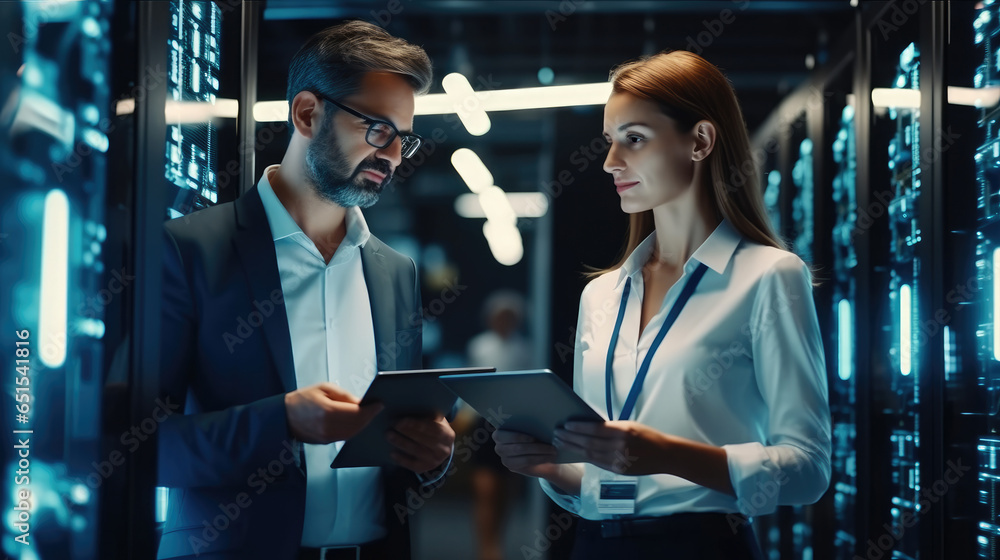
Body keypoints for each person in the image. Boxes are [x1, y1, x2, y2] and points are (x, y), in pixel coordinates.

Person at [493, 50, 831, 559]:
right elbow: (598, 472)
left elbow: (808, 471)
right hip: (595, 544)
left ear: (700, 140)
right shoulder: (601, 294)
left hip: (703, 547)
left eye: (634, 139)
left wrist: (664, 454)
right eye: (610, 142)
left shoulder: (769, 276)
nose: (610, 163)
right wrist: (549, 468)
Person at [157, 21, 454, 560]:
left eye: (403, 139)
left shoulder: (395, 271)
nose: (391, 156)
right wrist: (282, 421)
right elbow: (136, 447)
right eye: (377, 129)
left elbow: (397, 443)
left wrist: (430, 455)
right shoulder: (191, 250)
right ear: (308, 114)